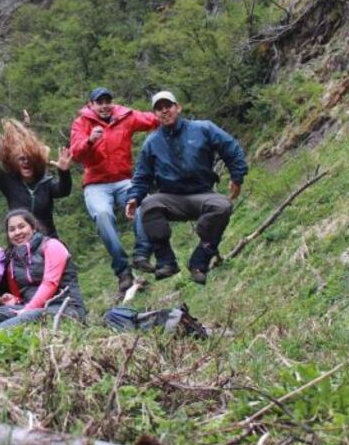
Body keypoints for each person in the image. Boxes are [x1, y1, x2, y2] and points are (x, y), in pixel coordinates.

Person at [125, 91, 248, 285]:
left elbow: (230, 147)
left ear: (178, 107)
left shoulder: (203, 128)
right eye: (159, 108)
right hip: (170, 198)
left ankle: (200, 261)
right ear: (155, 114)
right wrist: (134, 198)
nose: (165, 111)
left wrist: (237, 176)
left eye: (168, 106)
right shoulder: (151, 142)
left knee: (223, 206)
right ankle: (166, 262)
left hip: (202, 194)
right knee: (148, 204)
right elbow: (142, 176)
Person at [70, 86, 158, 293]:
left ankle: (141, 254)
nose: (104, 106)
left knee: (146, 202)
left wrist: (171, 119)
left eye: (107, 101)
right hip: (96, 183)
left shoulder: (124, 116)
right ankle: (122, 271)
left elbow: (152, 120)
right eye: (99, 102)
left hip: (124, 180)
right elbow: (75, 154)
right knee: (102, 215)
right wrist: (89, 141)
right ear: (91, 105)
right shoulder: (82, 123)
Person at [0, 209, 86, 333]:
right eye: (12, 229)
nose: (17, 232)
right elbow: (20, 295)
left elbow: (50, 284)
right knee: (2, 312)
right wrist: (14, 300)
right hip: (30, 306)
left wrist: (27, 309)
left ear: (33, 227)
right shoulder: (13, 259)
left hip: (66, 306)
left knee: (29, 316)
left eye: (21, 227)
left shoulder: (52, 246)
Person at [0, 113, 72, 236]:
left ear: (37, 161)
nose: (26, 162)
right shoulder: (9, 182)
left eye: (30, 158)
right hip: (21, 240)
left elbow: (64, 191)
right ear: (14, 162)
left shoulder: (45, 183)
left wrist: (64, 172)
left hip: (48, 241)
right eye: (21, 159)